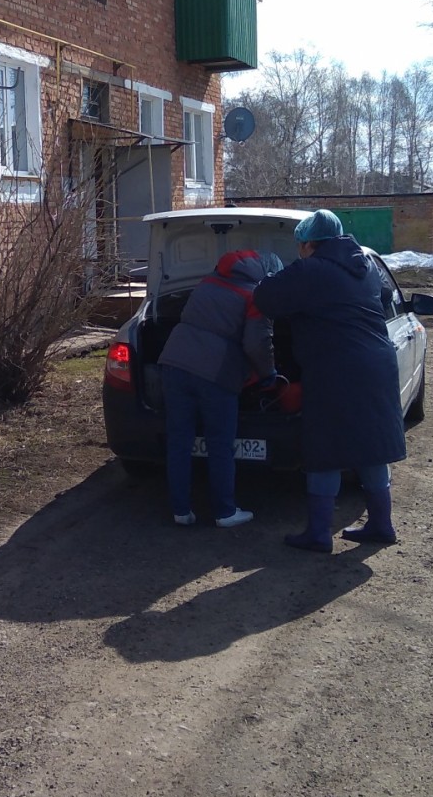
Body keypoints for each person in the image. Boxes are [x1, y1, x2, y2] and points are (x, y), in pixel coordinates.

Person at [253, 210, 404, 553]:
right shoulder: (365, 266)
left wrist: (269, 278)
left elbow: (265, 298)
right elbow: (382, 299)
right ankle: (382, 524)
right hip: (378, 365)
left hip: (337, 369)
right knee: (371, 446)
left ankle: (319, 533)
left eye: (300, 245)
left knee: (325, 448)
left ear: (309, 244)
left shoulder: (312, 269)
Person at [156, 249, 283, 528]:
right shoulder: (256, 296)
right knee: (220, 444)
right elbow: (257, 344)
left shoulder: (207, 282)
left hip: (174, 363)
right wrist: (268, 374)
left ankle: (180, 511)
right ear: (268, 273)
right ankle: (225, 512)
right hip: (214, 373)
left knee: (179, 441)